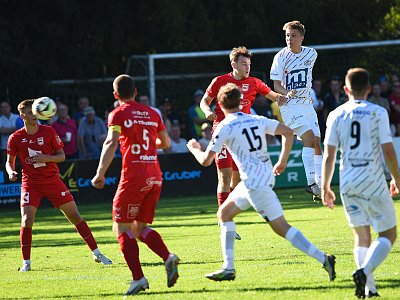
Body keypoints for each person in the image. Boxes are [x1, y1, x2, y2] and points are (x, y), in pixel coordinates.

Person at [188, 83, 336, 282]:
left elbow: (206, 161)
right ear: (240, 102)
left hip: (253, 182)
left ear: (221, 105)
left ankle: (323, 258)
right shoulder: (256, 119)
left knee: (281, 227)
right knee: (224, 214)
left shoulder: (223, 126)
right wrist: (282, 160)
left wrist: (194, 147)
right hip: (259, 178)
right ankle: (228, 267)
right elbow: (288, 132)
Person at [91, 74, 179, 296]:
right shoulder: (151, 113)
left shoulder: (117, 114)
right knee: (137, 228)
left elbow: (111, 142)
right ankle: (168, 257)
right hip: (155, 175)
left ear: (116, 95)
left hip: (134, 177)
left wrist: (100, 173)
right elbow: (166, 143)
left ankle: (138, 278)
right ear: (136, 92)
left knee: (120, 228)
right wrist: (147, 144)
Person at [5, 99, 112, 272]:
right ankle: (26, 262)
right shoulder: (15, 138)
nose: (34, 115)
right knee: (27, 220)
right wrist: (11, 172)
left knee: (75, 216)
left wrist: (46, 158)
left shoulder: (48, 131)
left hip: (52, 181)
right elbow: (9, 162)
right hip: (30, 183)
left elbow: (62, 156)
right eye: (30, 112)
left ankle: (97, 253)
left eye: (35, 111)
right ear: (22, 115)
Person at [321, 68, 399, 298]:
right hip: (373, 180)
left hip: (348, 182)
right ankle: (364, 272)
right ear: (370, 89)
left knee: (361, 236)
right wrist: (396, 178)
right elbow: (388, 150)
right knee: (388, 234)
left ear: (346, 90)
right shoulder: (378, 112)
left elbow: (329, 155)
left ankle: (369, 288)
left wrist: (325, 186)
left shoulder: (335, 114)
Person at [200, 46, 285, 209]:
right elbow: (204, 101)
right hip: (222, 130)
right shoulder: (220, 81)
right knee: (224, 176)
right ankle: (224, 219)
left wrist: (289, 97)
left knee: (236, 178)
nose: (247, 67)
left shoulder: (254, 83)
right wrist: (207, 112)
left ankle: (228, 211)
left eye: (249, 64)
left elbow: (275, 97)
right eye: (244, 64)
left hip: (241, 134)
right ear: (234, 64)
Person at [270, 20, 323, 200]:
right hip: (289, 105)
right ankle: (310, 183)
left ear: (301, 37)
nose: (289, 39)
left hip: (307, 104)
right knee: (308, 139)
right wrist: (287, 92)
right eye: (287, 36)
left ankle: (320, 185)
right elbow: (276, 85)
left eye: (293, 36)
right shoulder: (280, 57)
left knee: (317, 143)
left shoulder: (311, 54)